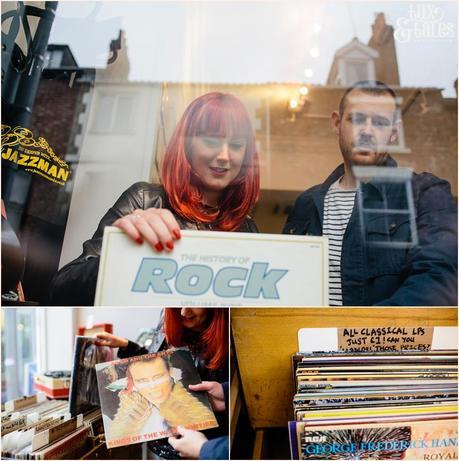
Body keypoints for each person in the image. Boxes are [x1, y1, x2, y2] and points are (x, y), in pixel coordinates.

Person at [50, 92, 259, 306]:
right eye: (211, 141)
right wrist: (120, 253)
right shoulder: (144, 200)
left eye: (236, 145)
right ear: (186, 145)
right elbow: (62, 292)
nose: (224, 155)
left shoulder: (246, 228)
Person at [283, 80, 457, 306]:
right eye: (357, 119)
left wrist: (357, 336)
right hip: (306, 339)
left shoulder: (425, 194)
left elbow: (439, 281)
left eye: (379, 123)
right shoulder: (306, 204)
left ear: (394, 133)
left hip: (379, 340)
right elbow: (286, 286)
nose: (367, 131)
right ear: (337, 123)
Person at [96, 308, 228, 459]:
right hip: (165, 447)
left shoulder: (230, 331)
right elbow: (153, 364)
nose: (184, 312)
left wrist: (205, 449)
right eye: (176, 306)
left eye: (193, 304)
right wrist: (126, 346)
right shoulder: (167, 316)